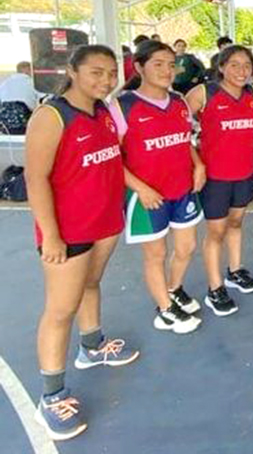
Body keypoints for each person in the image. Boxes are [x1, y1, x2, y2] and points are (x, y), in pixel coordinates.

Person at [25, 44, 139, 441]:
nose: (106, 80)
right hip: (68, 231)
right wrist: (51, 234)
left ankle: (92, 347)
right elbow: (35, 178)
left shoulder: (104, 111)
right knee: (60, 310)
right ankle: (51, 396)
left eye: (111, 73)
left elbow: (111, 161)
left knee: (91, 284)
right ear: (72, 71)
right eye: (96, 72)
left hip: (104, 221)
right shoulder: (52, 116)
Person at [110, 40, 208, 330]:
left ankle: (173, 289)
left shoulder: (178, 101)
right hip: (147, 195)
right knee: (156, 255)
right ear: (139, 67)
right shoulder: (122, 106)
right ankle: (165, 309)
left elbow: (184, 140)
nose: (167, 71)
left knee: (187, 247)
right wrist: (140, 188)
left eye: (171, 64)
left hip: (182, 188)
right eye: (158, 64)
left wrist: (199, 164)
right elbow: (112, 157)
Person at [186, 45, 253, 312]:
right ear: (221, 67)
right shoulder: (203, 93)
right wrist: (196, 162)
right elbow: (177, 126)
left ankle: (235, 270)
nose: (242, 71)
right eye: (234, 65)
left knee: (236, 223)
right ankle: (215, 288)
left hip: (244, 173)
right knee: (216, 232)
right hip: (215, 177)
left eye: (247, 65)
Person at [0, 61, 39, 134]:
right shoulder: (33, 83)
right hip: (25, 122)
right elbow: (44, 98)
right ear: (29, 70)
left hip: (5, 124)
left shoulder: (4, 83)